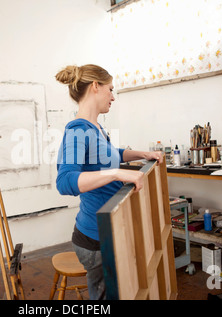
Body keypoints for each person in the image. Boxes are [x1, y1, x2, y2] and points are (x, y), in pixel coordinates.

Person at [55, 64, 163, 300]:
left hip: (111, 229)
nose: (113, 97)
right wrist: (116, 174)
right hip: (94, 239)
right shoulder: (77, 130)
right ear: (95, 86)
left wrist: (143, 154)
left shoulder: (96, 128)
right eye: (110, 89)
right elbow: (64, 181)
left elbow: (111, 153)